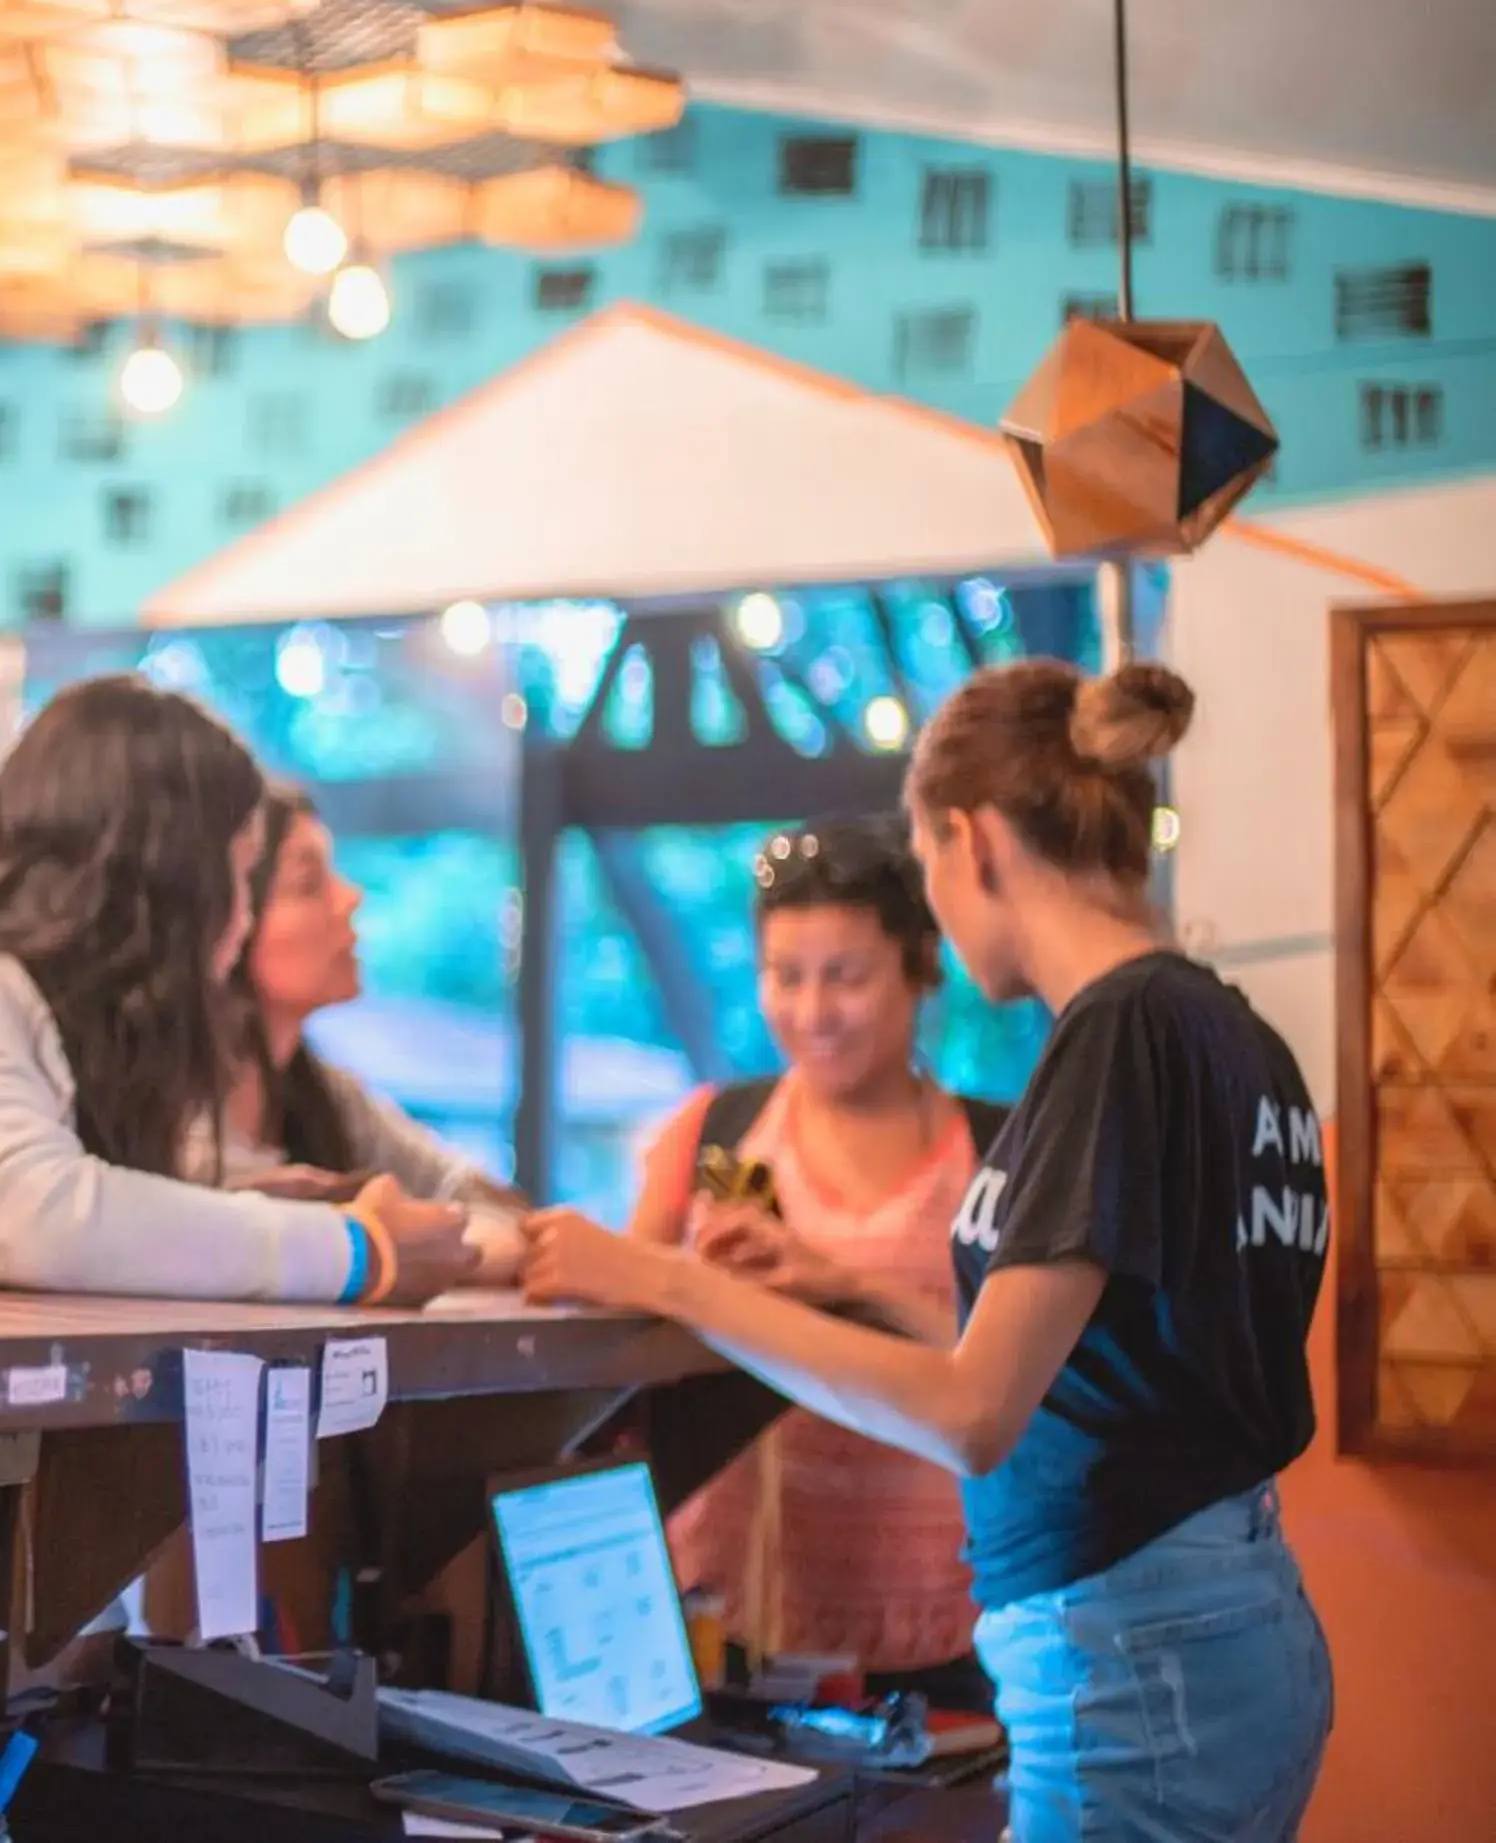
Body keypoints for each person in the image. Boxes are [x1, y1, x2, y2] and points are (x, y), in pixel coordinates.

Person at [523, 661, 1333, 1843]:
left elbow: (973, 1412)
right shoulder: (1230, 1033)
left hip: (1135, 1660)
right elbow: (1113, 1369)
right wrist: (851, 1291)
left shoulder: (1115, 1030)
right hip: (1228, 1628)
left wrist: (665, 1278)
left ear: (972, 839)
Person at [0, 678, 477, 1305]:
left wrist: (245, 1204)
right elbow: (35, 1215)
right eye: (243, 875)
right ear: (171, 879)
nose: (241, 918)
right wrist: (356, 1250)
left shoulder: (68, 1017)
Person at [622, 818, 998, 1706]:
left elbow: (1030, 1385)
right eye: (785, 977)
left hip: (946, 1627)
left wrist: (844, 1287)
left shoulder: (997, 1153)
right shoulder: (711, 1134)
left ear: (919, 968)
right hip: (730, 1624)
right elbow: (615, 1351)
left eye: (847, 976)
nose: (813, 1012)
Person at [216, 787, 528, 1258]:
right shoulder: (159, 1119)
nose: (351, 897)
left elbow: (499, 1210)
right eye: (308, 884)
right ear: (226, 917)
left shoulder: (327, 1097)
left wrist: (408, 1245)